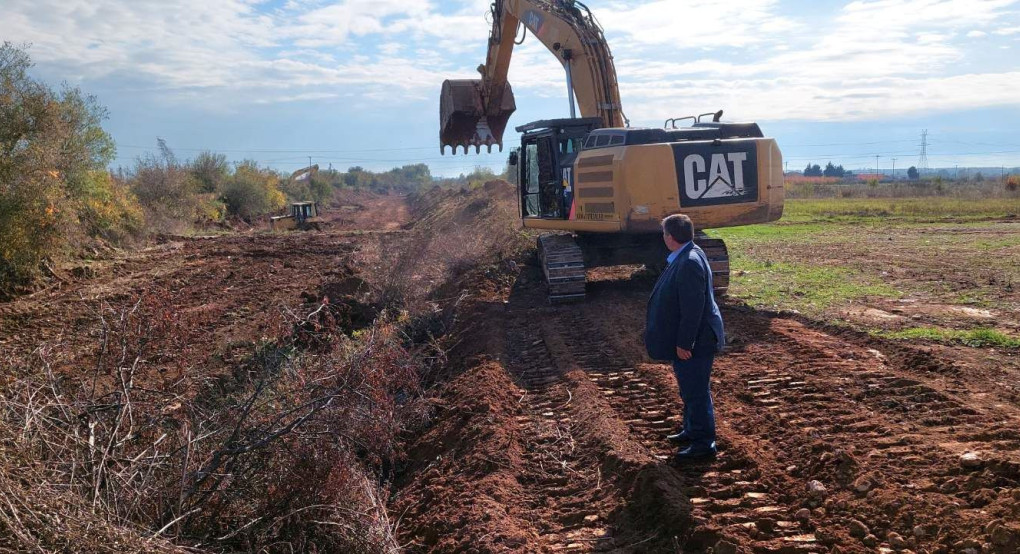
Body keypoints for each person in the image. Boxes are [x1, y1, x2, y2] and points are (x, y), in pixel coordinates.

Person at [644, 214, 725, 462]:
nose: (663, 237)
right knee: (689, 388)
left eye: (664, 234)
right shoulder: (689, 253)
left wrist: (684, 343)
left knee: (696, 391)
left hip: (697, 341)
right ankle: (691, 430)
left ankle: (703, 443)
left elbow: (693, 309)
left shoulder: (689, 261)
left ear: (670, 237)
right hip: (695, 338)